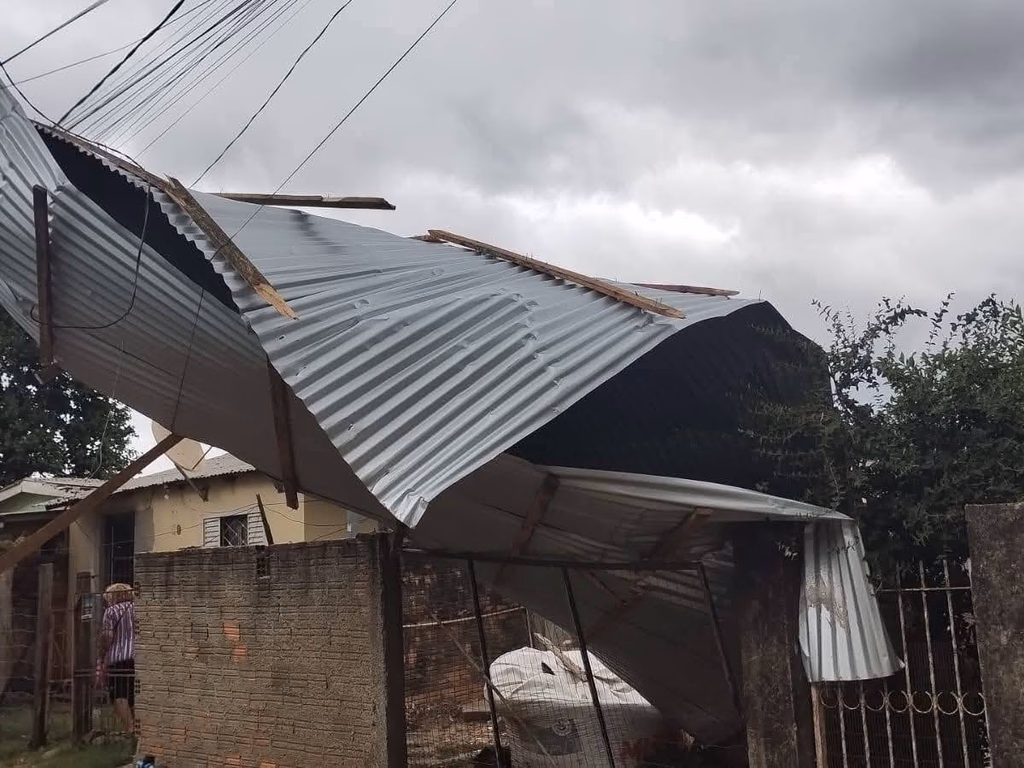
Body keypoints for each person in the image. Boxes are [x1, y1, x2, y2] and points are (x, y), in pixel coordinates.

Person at [95, 582, 136, 734]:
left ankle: (129, 729)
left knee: (119, 694)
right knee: (135, 692)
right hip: (137, 657)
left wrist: (101, 655)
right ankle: (140, 729)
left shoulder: (111, 611)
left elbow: (107, 636)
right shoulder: (138, 608)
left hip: (118, 658)